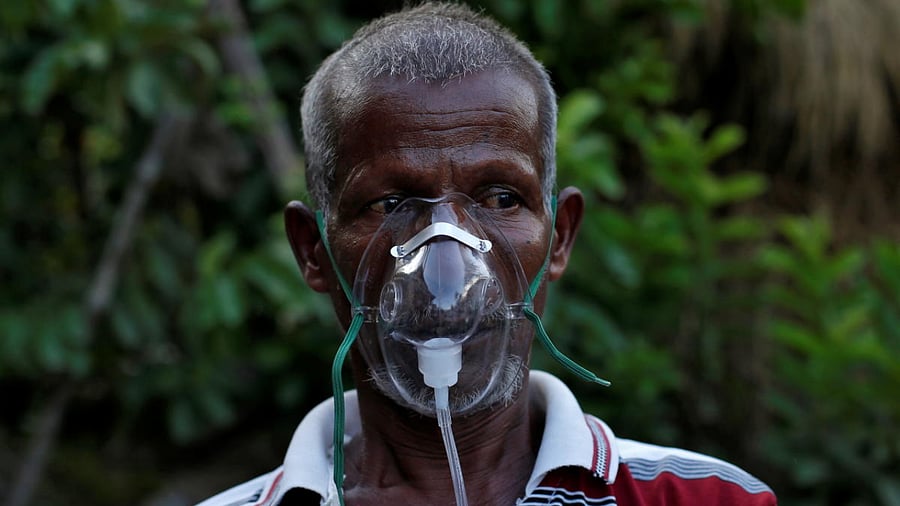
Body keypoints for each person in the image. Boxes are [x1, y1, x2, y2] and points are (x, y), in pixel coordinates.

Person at [197, 3, 777, 505]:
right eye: (390, 202)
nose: (444, 255)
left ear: (560, 237)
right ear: (313, 251)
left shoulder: (708, 499)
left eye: (500, 197)